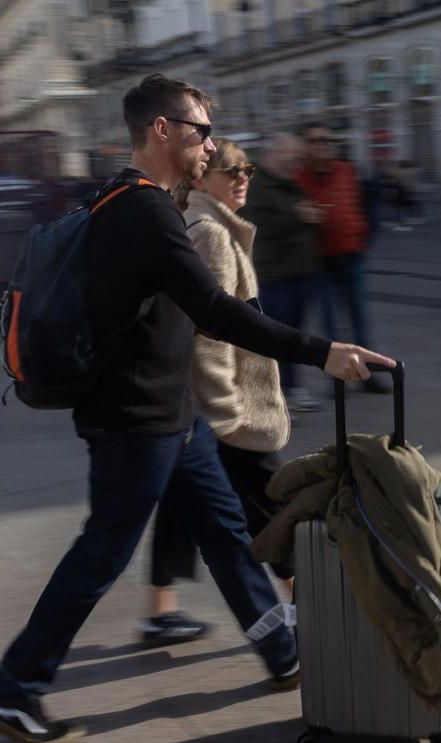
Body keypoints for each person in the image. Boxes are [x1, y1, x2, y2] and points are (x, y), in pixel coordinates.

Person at [0, 75, 394, 743]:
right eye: (199, 131)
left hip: (175, 414)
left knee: (226, 529)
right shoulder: (140, 210)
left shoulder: (127, 199)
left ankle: (279, 648)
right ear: (161, 130)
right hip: (136, 420)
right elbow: (216, 309)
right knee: (101, 552)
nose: (210, 145)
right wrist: (322, 351)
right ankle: (13, 688)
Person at [140, 138, 297, 648]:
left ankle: (160, 610)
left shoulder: (215, 228)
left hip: (205, 406)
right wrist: (229, 413)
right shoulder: (210, 234)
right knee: (271, 503)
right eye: (231, 170)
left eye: (247, 168)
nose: (243, 177)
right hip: (229, 405)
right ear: (200, 179)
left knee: (181, 502)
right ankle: (298, 603)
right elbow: (206, 336)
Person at [297, 123, 389, 394]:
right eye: (315, 141)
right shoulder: (300, 179)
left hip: (352, 256)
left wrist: (365, 238)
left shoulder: (347, 171)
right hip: (321, 262)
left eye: (326, 140)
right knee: (330, 325)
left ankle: (367, 375)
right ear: (307, 147)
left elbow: (367, 205)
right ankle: (337, 378)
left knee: (360, 318)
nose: (322, 145)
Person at [239, 132, 322, 414]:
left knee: (296, 335)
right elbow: (256, 226)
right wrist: (299, 216)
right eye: (293, 156)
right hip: (272, 276)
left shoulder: (290, 184)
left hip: (298, 272)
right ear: (275, 154)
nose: (298, 162)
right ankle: (272, 396)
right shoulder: (256, 185)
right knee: (274, 339)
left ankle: (292, 388)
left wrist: (308, 219)